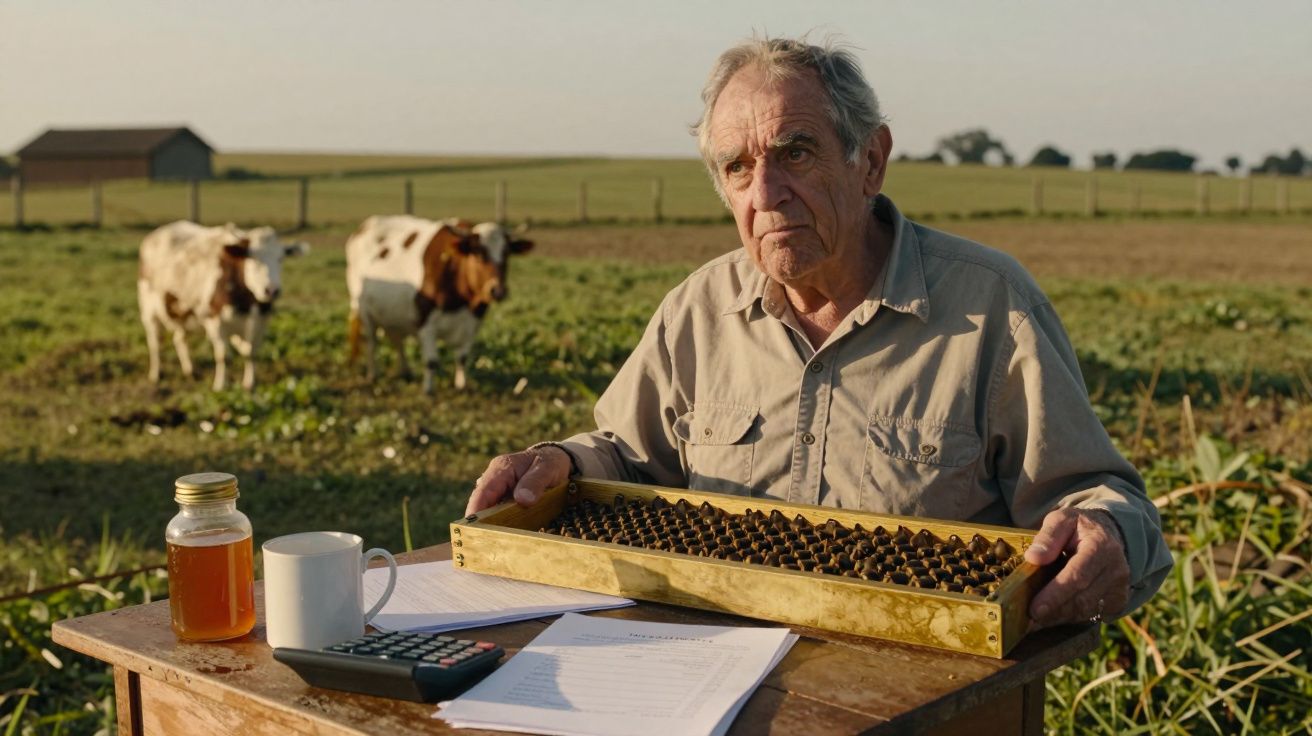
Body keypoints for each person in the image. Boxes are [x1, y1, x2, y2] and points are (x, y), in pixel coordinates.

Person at [465, 36, 1173, 626]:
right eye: (737, 167)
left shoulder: (992, 309)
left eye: (795, 153)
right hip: (711, 683)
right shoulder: (697, 310)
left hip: (920, 689)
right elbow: (627, 457)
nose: (766, 194)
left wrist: (1104, 534)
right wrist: (562, 461)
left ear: (870, 161)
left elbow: (1101, 500)